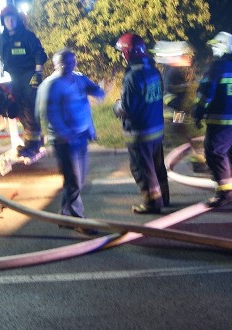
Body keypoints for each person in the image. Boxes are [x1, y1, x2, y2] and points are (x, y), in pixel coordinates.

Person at [36, 48, 104, 235]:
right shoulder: (52, 85)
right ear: (56, 64)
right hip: (64, 141)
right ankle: (77, 219)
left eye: (72, 61)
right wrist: (64, 133)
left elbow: (91, 93)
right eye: (64, 62)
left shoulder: (79, 79)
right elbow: (51, 114)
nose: (69, 65)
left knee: (78, 179)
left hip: (80, 137)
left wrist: (98, 92)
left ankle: (64, 215)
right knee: (73, 179)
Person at [192, 31, 232, 208]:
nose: (213, 50)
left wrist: (198, 112)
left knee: (215, 153)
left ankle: (225, 193)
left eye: (216, 46)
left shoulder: (217, 66)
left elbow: (206, 92)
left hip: (220, 120)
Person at [114, 33, 169, 214]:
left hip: (140, 132)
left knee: (142, 169)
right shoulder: (153, 71)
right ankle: (164, 198)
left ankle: (153, 203)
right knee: (157, 166)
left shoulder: (132, 77)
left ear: (128, 53)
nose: (122, 56)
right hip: (156, 128)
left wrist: (116, 107)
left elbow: (127, 108)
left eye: (123, 52)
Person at [0, 5, 48, 159]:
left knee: (29, 109)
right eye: (7, 19)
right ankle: (33, 141)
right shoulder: (4, 38)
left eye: (13, 19)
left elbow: (40, 54)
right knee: (19, 109)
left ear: (18, 20)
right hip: (14, 78)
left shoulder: (27, 36)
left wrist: (38, 73)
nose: (10, 22)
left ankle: (32, 146)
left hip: (28, 76)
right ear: (3, 21)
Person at [154, 41, 207, 173]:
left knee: (182, 138)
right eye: (185, 56)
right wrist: (180, 107)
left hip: (177, 113)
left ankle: (196, 162)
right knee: (181, 139)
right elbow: (167, 95)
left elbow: (176, 92)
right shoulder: (172, 72)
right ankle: (193, 163)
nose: (189, 58)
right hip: (173, 113)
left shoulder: (173, 71)